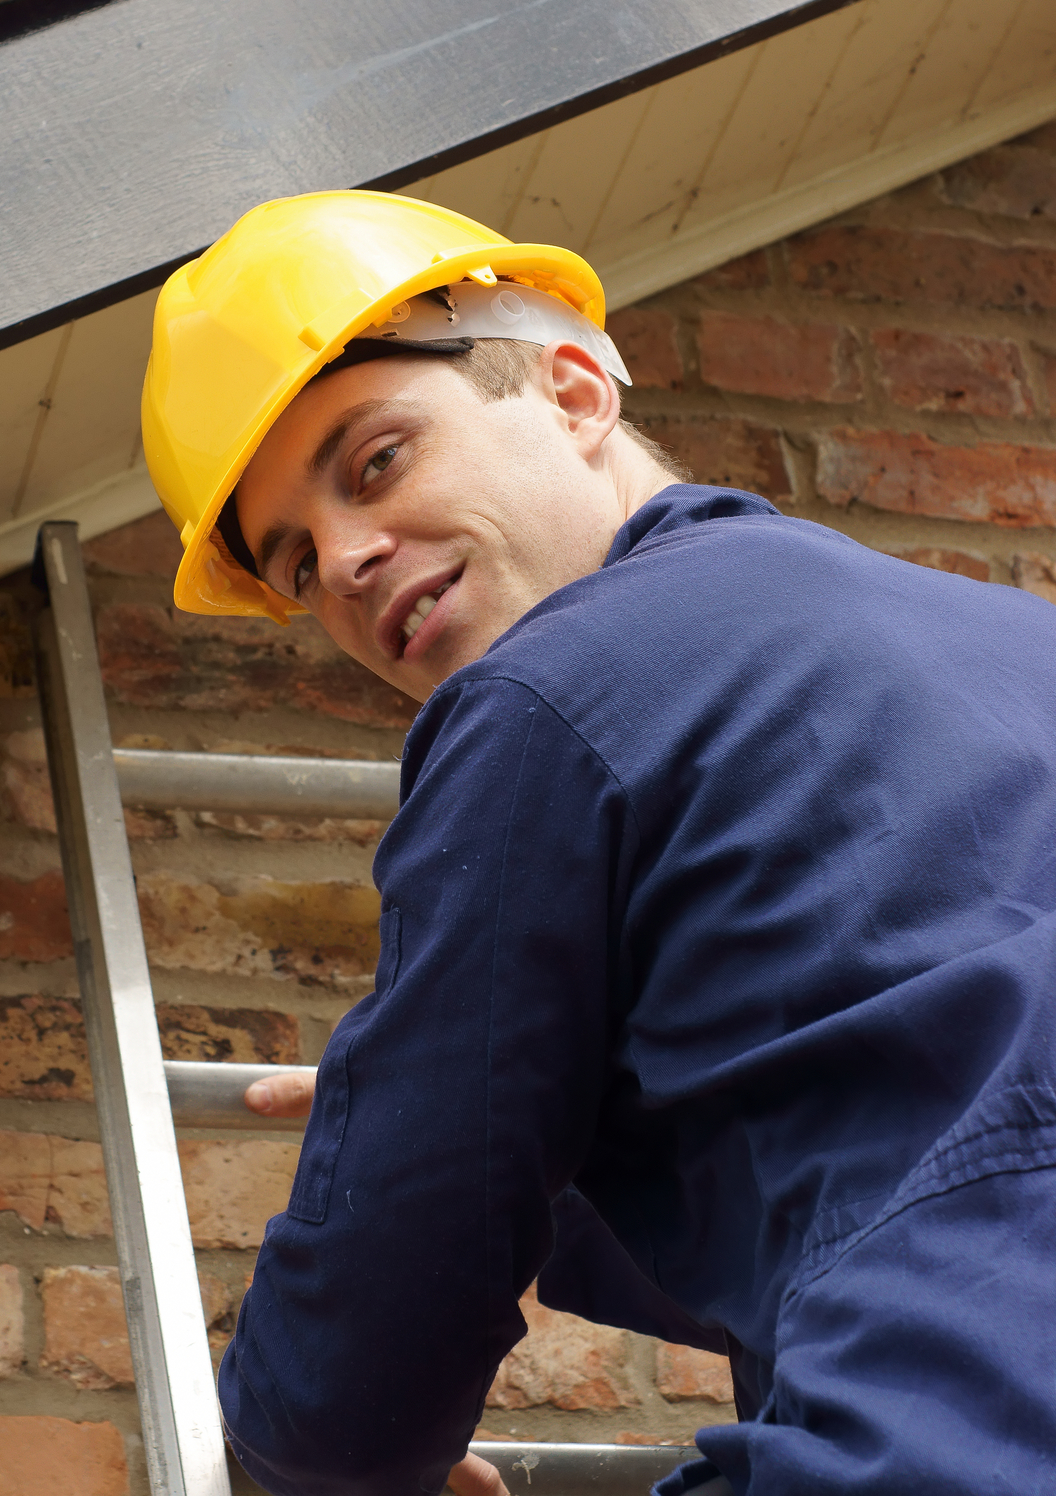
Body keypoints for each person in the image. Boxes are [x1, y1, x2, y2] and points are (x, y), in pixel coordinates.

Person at [140, 189, 1056, 1496]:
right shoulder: (1010, 648)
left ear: (574, 394)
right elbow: (883, 1155)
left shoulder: (546, 700)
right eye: (293, 562)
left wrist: (396, 1174)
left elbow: (348, 1401)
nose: (342, 561)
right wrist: (514, 1154)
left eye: (374, 462)